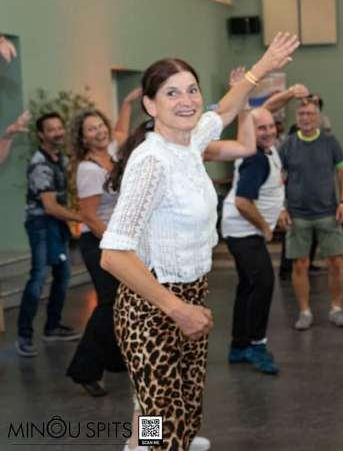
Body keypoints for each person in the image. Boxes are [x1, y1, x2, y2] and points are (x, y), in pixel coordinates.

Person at [100, 32, 299, 451]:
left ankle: (139, 445)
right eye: (172, 93)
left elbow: (224, 108)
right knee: (161, 416)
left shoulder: (190, 141)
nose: (187, 100)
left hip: (191, 291)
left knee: (180, 402)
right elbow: (113, 254)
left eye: (192, 90)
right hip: (153, 304)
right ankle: (148, 446)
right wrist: (177, 309)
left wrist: (262, 67)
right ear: (150, 106)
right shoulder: (151, 162)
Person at [65, 88, 142, 396]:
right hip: (98, 241)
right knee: (110, 303)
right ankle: (84, 369)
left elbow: (121, 130)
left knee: (121, 302)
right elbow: (89, 216)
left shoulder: (111, 151)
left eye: (100, 125)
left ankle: (114, 359)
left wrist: (126, 102)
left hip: (114, 238)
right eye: (91, 129)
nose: (99, 132)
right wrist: (115, 244)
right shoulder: (88, 169)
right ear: (83, 139)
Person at [221, 107, 284, 375]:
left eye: (271, 126)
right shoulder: (256, 159)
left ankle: (239, 345)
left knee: (248, 285)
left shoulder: (264, 150)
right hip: (244, 231)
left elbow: (264, 109)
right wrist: (265, 228)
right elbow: (243, 202)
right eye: (261, 128)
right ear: (251, 131)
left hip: (242, 230)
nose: (268, 132)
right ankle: (256, 346)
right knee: (263, 283)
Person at [280, 95, 343, 331]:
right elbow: (278, 177)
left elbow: (342, 173)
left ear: (318, 117)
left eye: (310, 114)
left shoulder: (330, 142)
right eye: (301, 114)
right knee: (300, 265)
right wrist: (281, 207)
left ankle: (336, 308)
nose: (306, 118)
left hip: (328, 213)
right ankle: (304, 311)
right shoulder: (288, 145)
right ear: (296, 118)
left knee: (336, 262)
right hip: (298, 215)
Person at [16, 112, 84, 357]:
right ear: (41, 135)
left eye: (59, 128)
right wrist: (83, 218)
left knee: (63, 275)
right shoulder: (40, 165)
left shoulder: (60, 158)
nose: (57, 133)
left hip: (57, 223)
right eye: (51, 129)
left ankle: (52, 327)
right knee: (38, 277)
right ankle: (24, 336)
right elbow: (50, 206)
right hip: (41, 224)